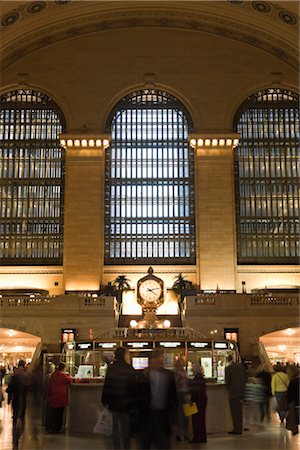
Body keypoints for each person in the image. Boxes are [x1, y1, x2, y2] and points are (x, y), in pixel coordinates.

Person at [137, 349, 178, 449]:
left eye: (160, 360)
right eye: (155, 360)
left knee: (163, 444)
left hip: (163, 417)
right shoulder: (143, 377)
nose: (158, 362)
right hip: (147, 418)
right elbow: (137, 397)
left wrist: (173, 421)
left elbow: (173, 399)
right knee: (145, 444)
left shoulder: (169, 375)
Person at [102, 346, 136, 450]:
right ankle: (126, 447)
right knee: (126, 427)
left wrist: (104, 400)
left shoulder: (111, 368)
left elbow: (107, 385)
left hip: (114, 401)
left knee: (115, 427)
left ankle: (117, 447)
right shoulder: (130, 369)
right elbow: (133, 387)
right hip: (126, 403)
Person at [6, 360, 29, 450]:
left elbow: (10, 388)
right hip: (22, 396)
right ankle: (19, 424)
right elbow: (28, 383)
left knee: (15, 412)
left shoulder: (15, 377)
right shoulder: (25, 374)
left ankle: (16, 424)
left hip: (16, 397)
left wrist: (8, 398)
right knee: (21, 411)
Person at [47, 361, 73, 434]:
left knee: (53, 413)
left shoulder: (53, 375)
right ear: (64, 368)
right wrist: (68, 375)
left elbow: (49, 386)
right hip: (61, 397)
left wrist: (48, 395)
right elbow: (70, 380)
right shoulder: (63, 376)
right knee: (60, 414)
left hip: (53, 396)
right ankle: (58, 428)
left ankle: (52, 427)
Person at [225, 354, 247, 435]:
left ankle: (236, 429)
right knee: (239, 411)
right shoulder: (241, 367)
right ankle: (239, 427)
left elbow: (227, 380)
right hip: (241, 392)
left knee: (234, 411)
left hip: (233, 392)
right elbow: (245, 378)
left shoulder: (228, 368)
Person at [188, 364, 207, 443]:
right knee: (201, 419)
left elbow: (194, 391)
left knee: (196, 420)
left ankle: (196, 437)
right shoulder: (201, 378)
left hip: (196, 401)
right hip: (202, 400)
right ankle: (202, 437)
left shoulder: (196, 379)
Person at [173, 358, 189, 442]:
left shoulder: (184, 372)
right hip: (179, 394)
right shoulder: (174, 373)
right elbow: (174, 385)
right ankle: (178, 434)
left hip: (185, 394)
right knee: (179, 415)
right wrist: (180, 380)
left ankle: (186, 433)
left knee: (186, 415)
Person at [286, 365, 300, 435]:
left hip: (296, 405)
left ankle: (294, 429)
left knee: (294, 419)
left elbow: (290, 396)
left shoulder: (293, 382)